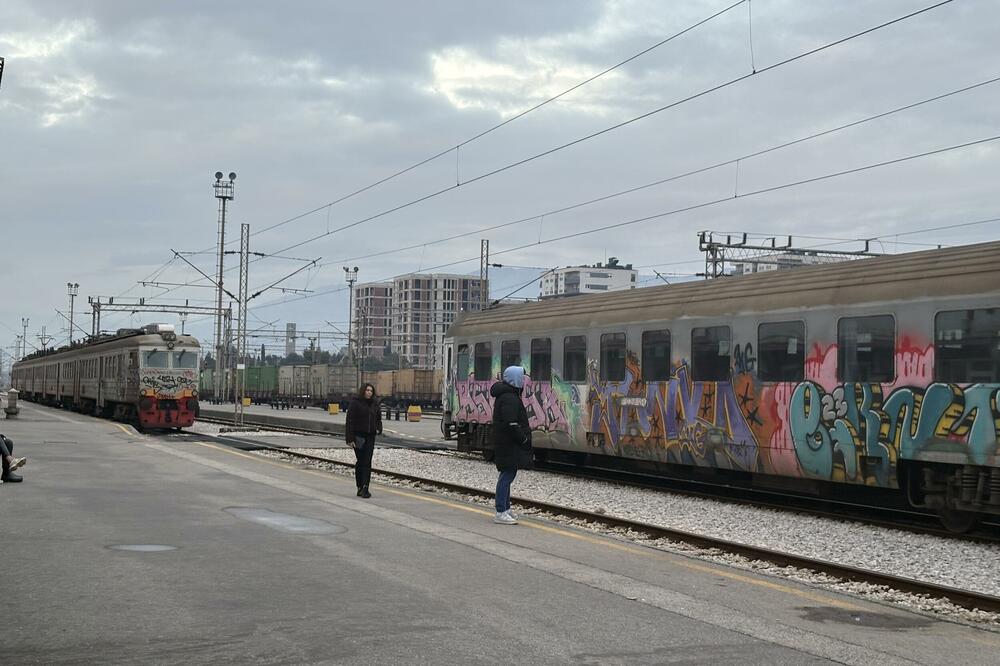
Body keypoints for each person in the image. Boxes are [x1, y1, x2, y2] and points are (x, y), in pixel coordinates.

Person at [490, 366, 533, 525]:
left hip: (507, 443)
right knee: (507, 476)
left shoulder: (508, 395)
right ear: (514, 379)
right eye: (520, 377)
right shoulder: (510, 397)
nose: (523, 380)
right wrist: (523, 439)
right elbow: (511, 423)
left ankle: (506, 509)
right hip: (510, 443)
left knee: (508, 474)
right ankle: (501, 511)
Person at [345, 383, 382, 498]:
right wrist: (350, 439)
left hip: (370, 436)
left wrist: (378, 428)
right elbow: (349, 420)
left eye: (371, 391)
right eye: (367, 390)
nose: (369, 392)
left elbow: (378, 418)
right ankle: (359, 486)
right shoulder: (355, 403)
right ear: (363, 391)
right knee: (360, 461)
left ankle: (366, 487)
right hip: (358, 436)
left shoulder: (375, 404)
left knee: (367, 461)